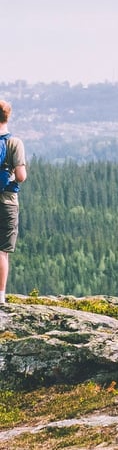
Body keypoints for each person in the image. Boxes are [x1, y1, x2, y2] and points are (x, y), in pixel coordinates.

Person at [0, 100, 26, 303]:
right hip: (7, 201)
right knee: (2, 251)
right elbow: (21, 175)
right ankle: (0, 296)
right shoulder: (14, 143)